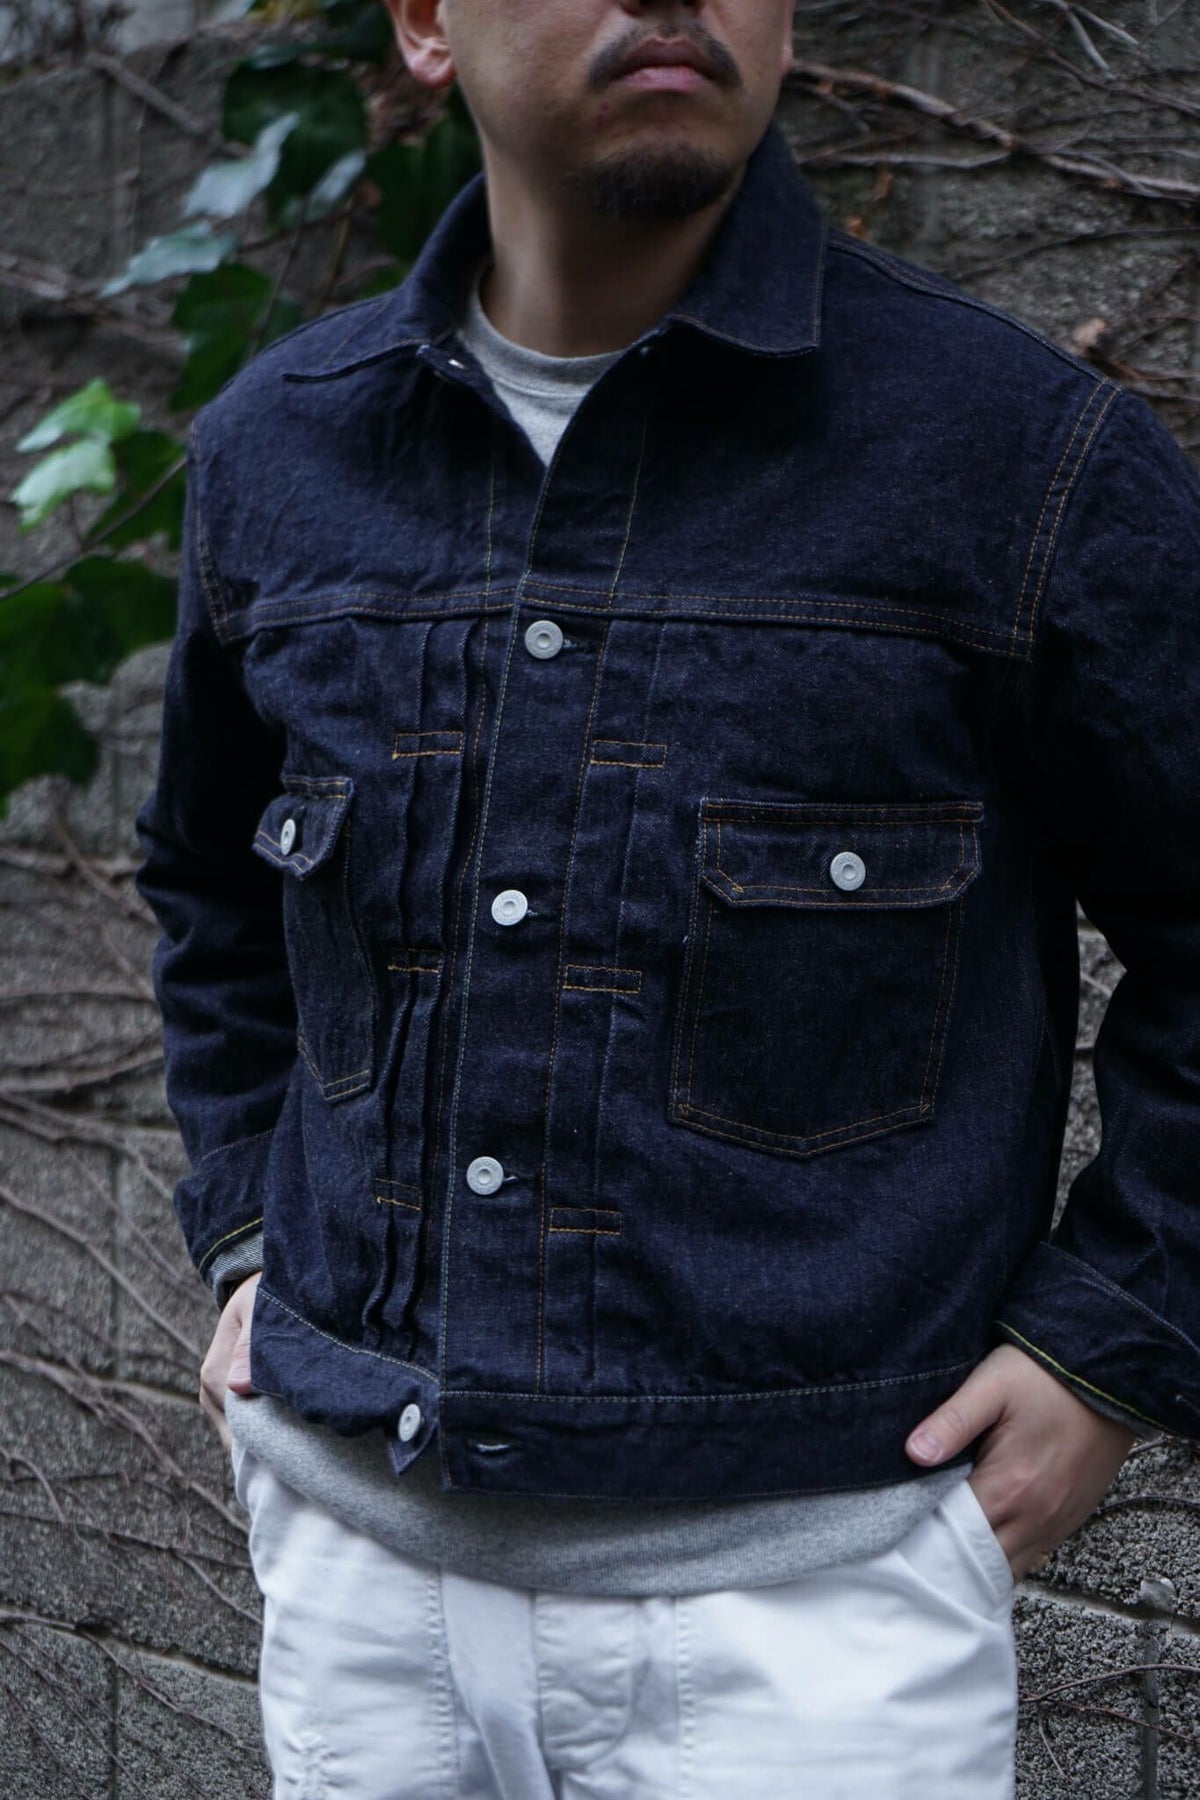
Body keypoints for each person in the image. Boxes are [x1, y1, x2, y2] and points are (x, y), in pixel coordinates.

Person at [135, 1, 1200, 1793]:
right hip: (359, 1602)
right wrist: (249, 1229)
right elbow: (209, 889)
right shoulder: (275, 455)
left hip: (816, 1623)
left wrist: (1115, 1345)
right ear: (425, 23)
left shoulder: (1024, 463)